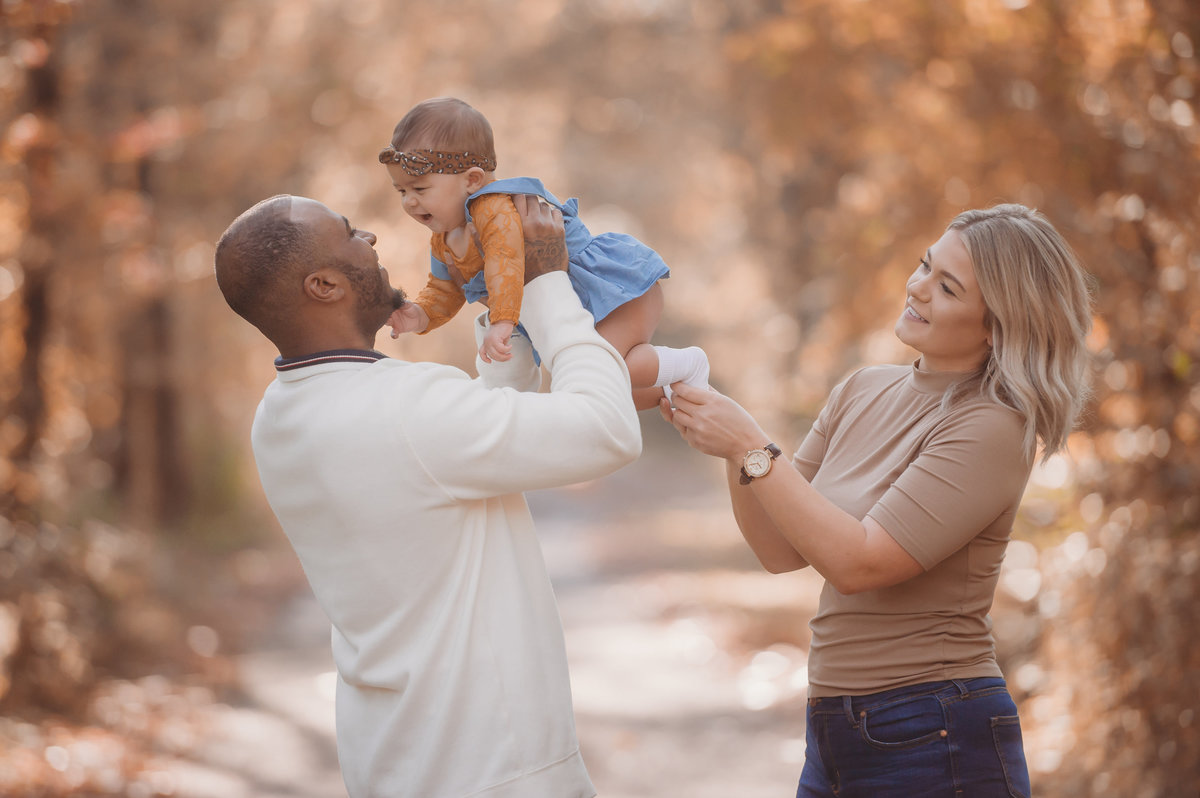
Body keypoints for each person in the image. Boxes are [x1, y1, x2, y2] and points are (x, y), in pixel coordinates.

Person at [213, 193, 641, 798]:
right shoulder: (403, 407)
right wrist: (545, 286)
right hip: (494, 769)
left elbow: (458, 453)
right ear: (325, 284)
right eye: (350, 234)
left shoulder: (282, 414)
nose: (371, 238)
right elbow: (606, 432)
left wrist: (505, 312)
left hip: (397, 761)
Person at [660, 204, 1092, 797]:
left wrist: (749, 442)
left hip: (933, 729)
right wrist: (731, 448)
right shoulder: (863, 388)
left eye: (947, 287)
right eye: (925, 266)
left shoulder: (992, 425)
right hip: (835, 727)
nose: (917, 288)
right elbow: (779, 548)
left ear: (996, 324)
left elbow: (861, 563)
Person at [378, 96, 709, 410]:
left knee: (606, 370)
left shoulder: (493, 210)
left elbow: (504, 260)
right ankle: (673, 393)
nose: (409, 201)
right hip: (576, 313)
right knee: (606, 393)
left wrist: (502, 321)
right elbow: (444, 289)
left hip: (610, 292)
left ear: (473, 180)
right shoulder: (443, 238)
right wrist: (419, 315)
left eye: (420, 189)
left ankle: (689, 363)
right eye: (401, 191)